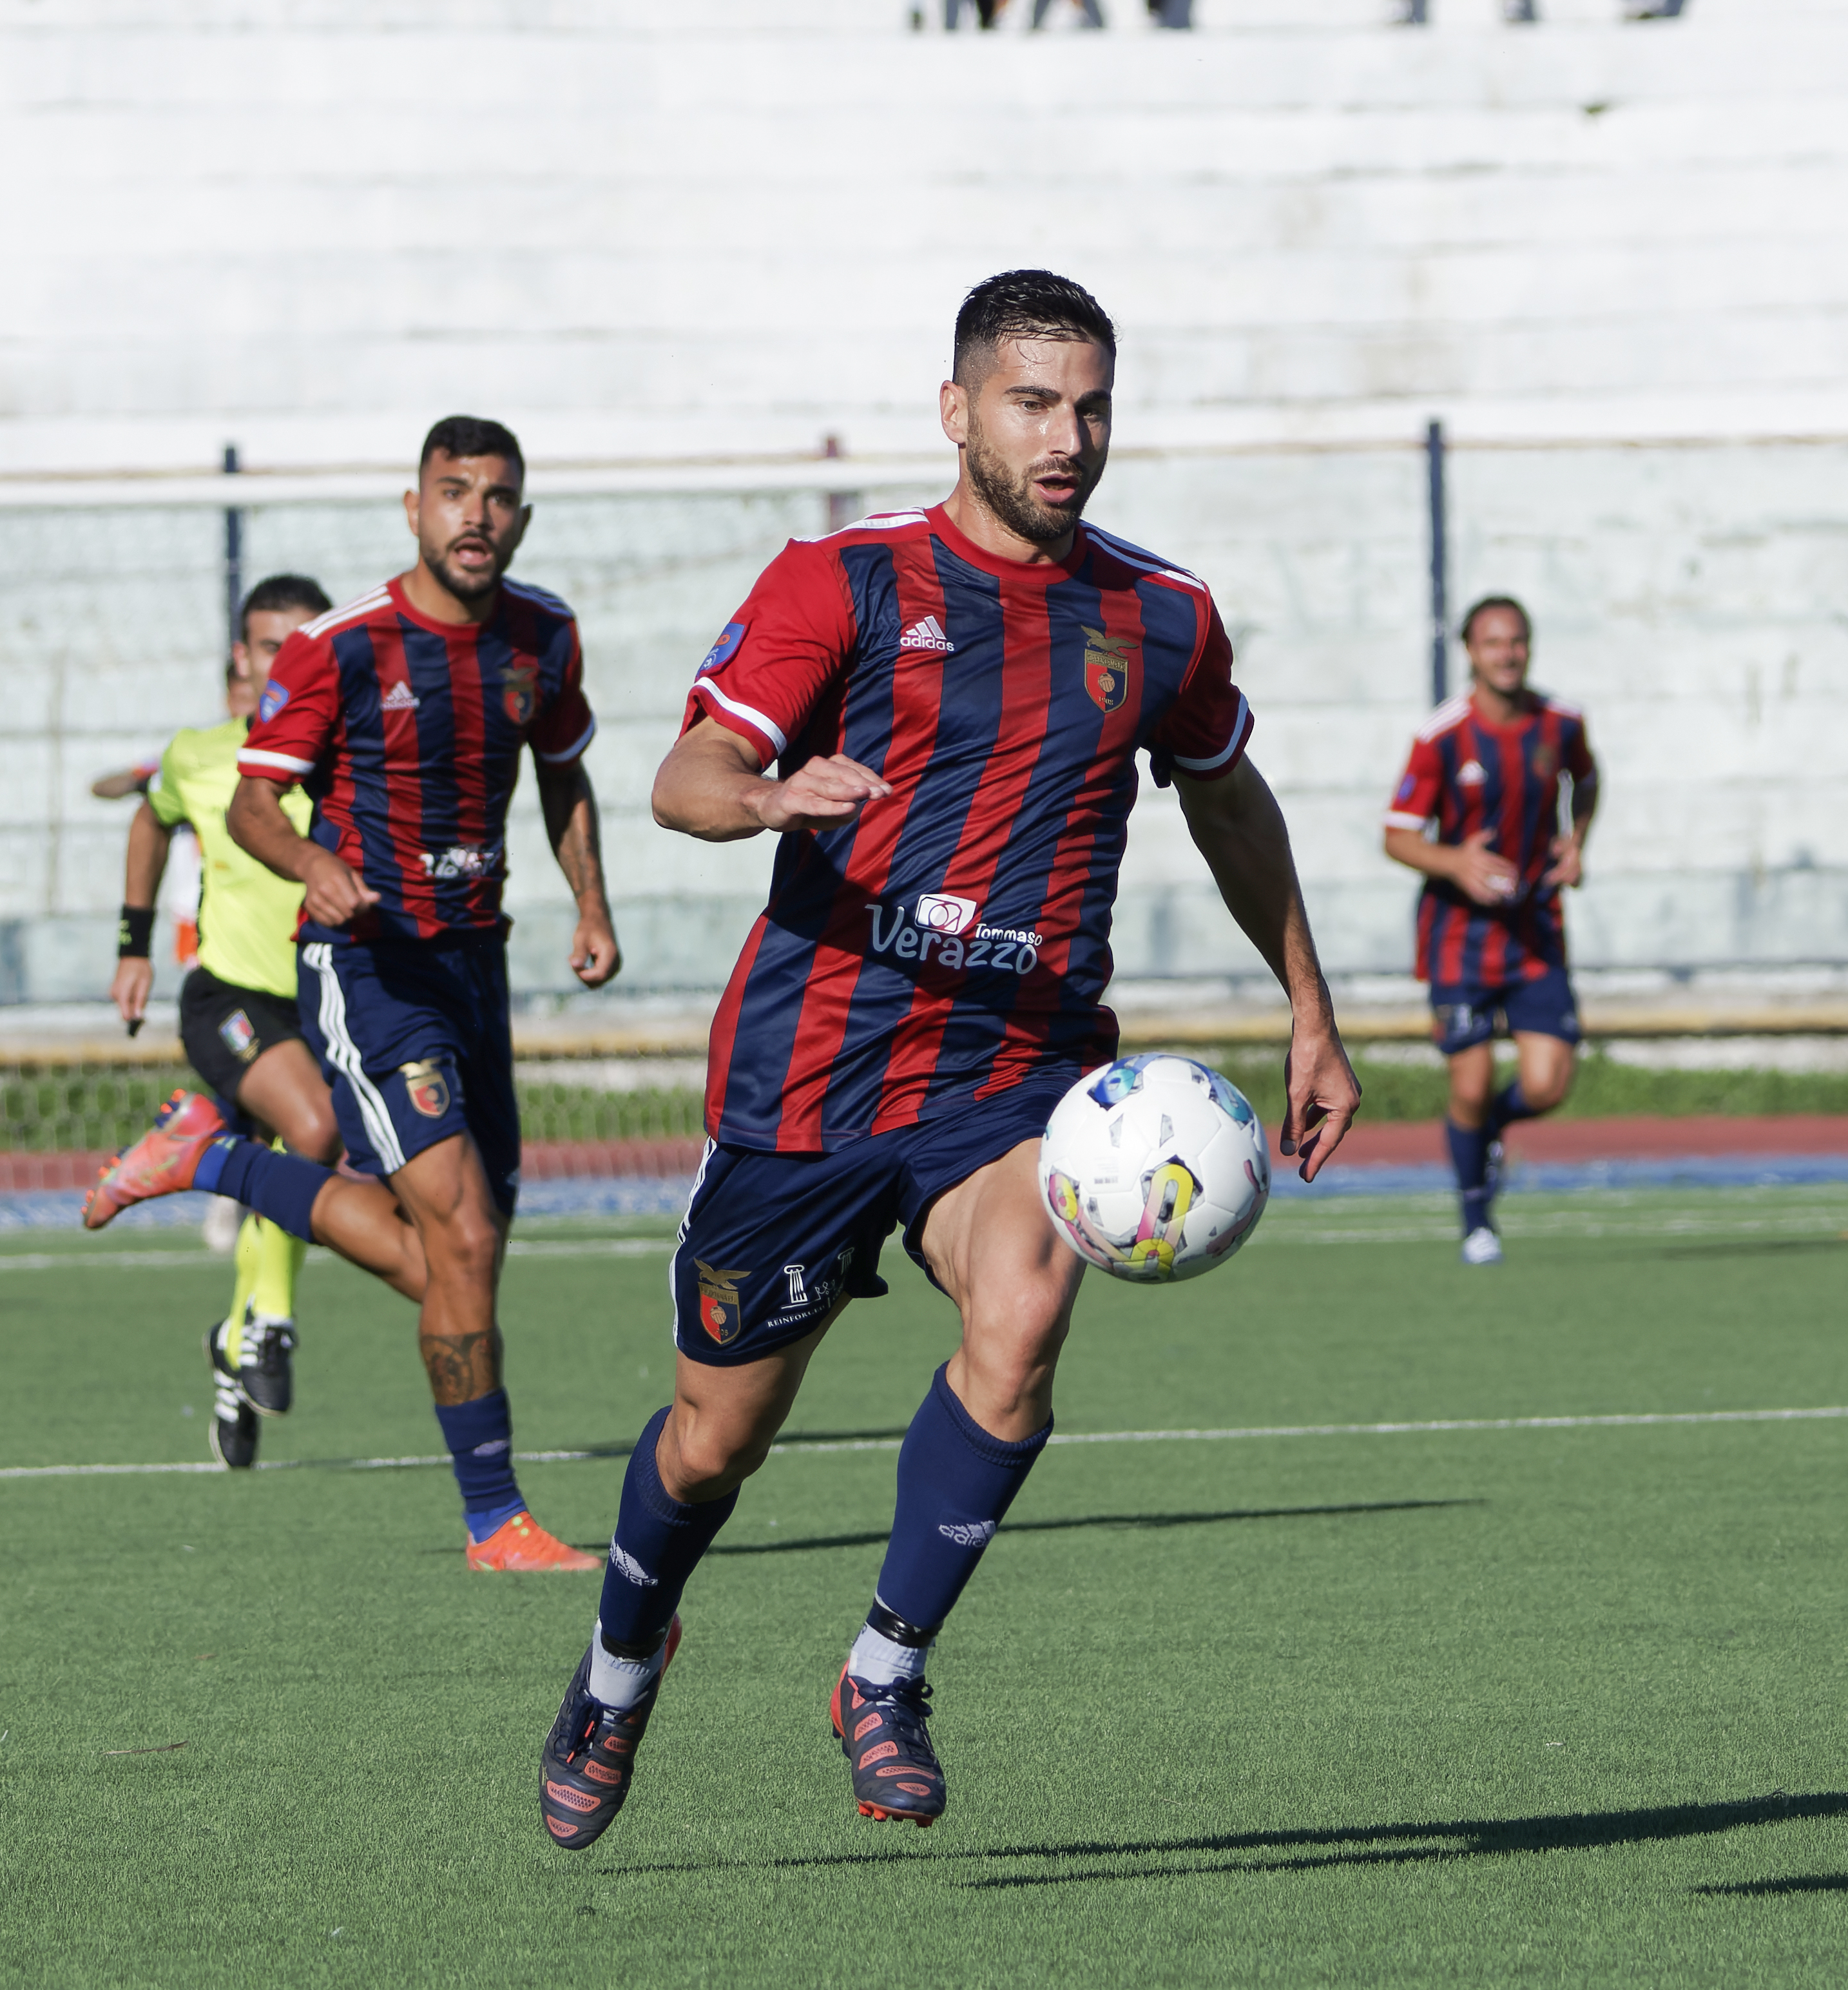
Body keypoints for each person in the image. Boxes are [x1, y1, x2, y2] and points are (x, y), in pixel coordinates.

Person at [534, 271, 1362, 1850]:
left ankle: (883, 1671)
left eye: (1091, 406)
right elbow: (683, 775)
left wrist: (1308, 1009)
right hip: (811, 1079)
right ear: (958, 409)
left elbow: (1225, 796)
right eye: (1033, 404)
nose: (1067, 439)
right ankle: (619, 1667)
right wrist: (770, 801)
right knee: (712, 1441)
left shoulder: (1157, 614)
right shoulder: (836, 580)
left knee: (1030, 1299)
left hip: (1014, 1074)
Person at [85, 416, 622, 1574]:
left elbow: (564, 772)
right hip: (368, 970)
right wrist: (312, 864)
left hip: (474, 968)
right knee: (464, 1236)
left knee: (454, 1263)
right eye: (453, 491)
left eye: (496, 496)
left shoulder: (544, 636)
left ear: (520, 517)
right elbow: (248, 805)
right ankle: (496, 1520)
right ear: (413, 507)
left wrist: (591, 905)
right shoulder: (341, 647)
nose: (474, 513)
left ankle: (212, 1160)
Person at [97, 573, 338, 1469]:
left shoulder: (353, 753)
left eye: (309, 643)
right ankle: (269, 1324)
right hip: (229, 1000)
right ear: (243, 660)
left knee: (292, 1174)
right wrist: (132, 944)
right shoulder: (201, 754)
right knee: (309, 1130)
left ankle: (233, 1343)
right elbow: (150, 820)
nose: (290, 661)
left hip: (325, 996)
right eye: (274, 646)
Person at [1380, 595, 1599, 1267]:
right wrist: (1456, 861)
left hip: (1534, 926)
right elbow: (1396, 835)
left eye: (1516, 642)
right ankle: (1477, 1219)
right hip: (1459, 935)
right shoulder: (1442, 736)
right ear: (1471, 653)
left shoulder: (1558, 722)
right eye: (1492, 643)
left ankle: (1491, 1131)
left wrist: (1575, 840)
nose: (1506, 653)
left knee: (1547, 1084)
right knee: (1468, 1085)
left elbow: (1586, 779)